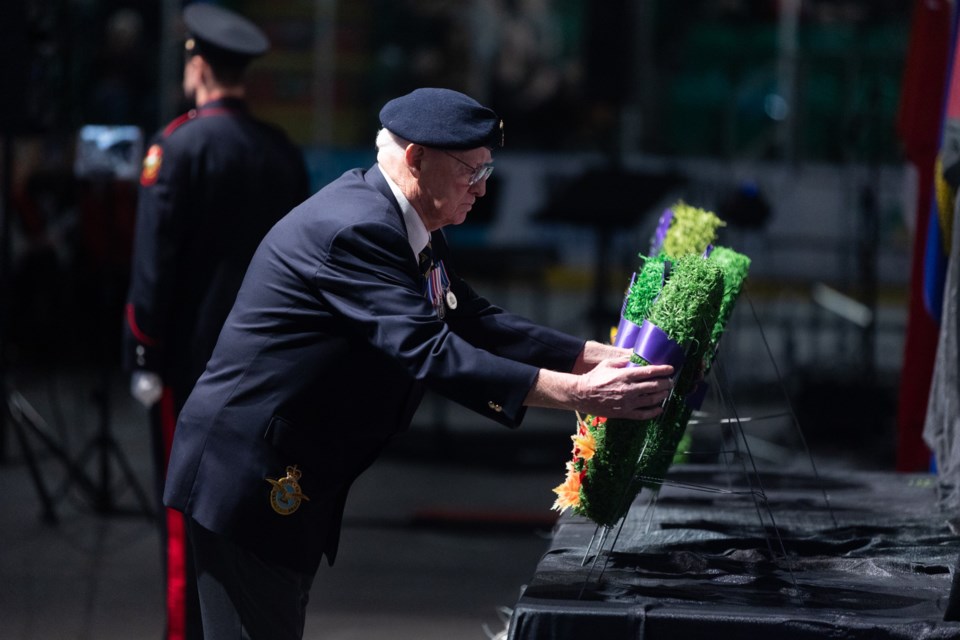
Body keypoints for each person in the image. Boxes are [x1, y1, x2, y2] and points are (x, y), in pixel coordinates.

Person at [162, 87, 674, 639]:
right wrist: (580, 394)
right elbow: (430, 350)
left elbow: (470, 317)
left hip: (285, 465)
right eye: (471, 171)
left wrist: (591, 356)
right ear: (416, 158)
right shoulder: (358, 229)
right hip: (245, 473)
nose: (483, 189)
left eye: (487, 170)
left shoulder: (404, 219)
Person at [122, 5, 310, 640]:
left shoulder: (175, 146)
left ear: (197, 65)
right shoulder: (278, 151)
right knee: (257, 514)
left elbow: (154, 269)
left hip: (190, 365)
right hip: (269, 368)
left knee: (184, 516)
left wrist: (144, 354)